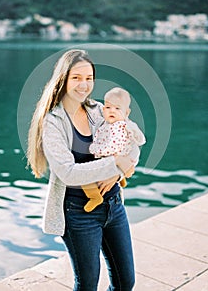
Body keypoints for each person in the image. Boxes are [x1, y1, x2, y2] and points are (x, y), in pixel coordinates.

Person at [27, 49, 136, 291]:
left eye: (89, 78)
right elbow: (68, 172)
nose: (83, 84)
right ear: (63, 79)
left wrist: (117, 172)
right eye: (76, 78)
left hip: (114, 205)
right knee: (87, 285)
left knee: (125, 282)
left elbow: (128, 142)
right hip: (78, 213)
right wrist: (115, 164)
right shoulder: (53, 122)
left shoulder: (99, 109)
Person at [82, 87, 146, 213]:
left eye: (117, 108)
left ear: (126, 112)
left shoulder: (118, 127)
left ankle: (95, 197)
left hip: (112, 158)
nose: (112, 111)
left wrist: (95, 149)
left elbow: (113, 147)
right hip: (115, 161)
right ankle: (121, 180)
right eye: (108, 107)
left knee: (84, 177)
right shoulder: (107, 122)